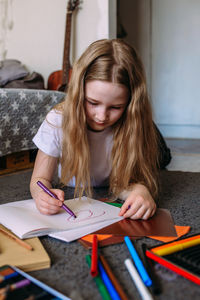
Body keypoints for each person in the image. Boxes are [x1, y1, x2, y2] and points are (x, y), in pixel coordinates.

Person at [30, 39, 171, 220]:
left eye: (115, 107)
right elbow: (39, 180)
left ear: (130, 104)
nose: (101, 116)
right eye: (93, 103)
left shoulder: (133, 123)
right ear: (78, 93)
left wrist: (140, 191)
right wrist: (41, 195)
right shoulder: (58, 120)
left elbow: (126, 182)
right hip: (72, 192)